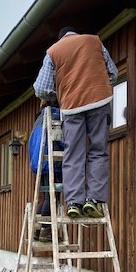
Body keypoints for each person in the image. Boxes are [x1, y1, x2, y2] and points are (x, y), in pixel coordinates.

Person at [33, 26, 118, 218]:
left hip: (71, 107)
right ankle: (94, 200)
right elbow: (112, 73)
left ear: (62, 37)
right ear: (76, 34)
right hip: (99, 101)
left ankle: (74, 202)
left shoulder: (53, 51)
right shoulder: (94, 41)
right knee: (98, 150)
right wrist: (97, 88)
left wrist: (62, 92)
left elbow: (41, 89)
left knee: (73, 154)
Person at [28, 103, 63, 242]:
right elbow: (59, 139)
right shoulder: (54, 116)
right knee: (52, 197)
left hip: (40, 164)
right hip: (53, 162)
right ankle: (45, 231)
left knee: (46, 196)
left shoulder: (38, 120)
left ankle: (37, 230)